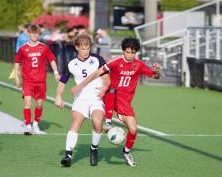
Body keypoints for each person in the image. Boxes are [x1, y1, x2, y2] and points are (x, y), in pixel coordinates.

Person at [71, 38, 161, 167]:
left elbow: (155, 76)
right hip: (109, 96)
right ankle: (107, 122)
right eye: (128, 52)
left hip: (124, 102)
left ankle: (126, 151)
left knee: (133, 129)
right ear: (123, 51)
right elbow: (97, 73)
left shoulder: (139, 64)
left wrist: (158, 70)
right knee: (112, 89)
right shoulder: (115, 62)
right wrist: (81, 85)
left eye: (133, 53)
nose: (130, 55)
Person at [55, 34, 110, 167]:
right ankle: (68, 155)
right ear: (77, 47)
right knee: (76, 122)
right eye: (83, 48)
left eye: (88, 48)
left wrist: (105, 88)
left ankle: (94, 148)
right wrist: (58, 96)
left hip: (96, 98)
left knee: (97, 123)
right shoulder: (72, 64)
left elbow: (107, 78)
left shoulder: (97, 59)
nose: (86, 51)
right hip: (80, 99)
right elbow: (63, 82)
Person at [14, 24, 60, 135]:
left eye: (36, 33)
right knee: (27, 102)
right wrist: (16, 76)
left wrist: (56, 72)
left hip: (40, 81)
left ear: (39, 34)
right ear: (28, 34)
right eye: (32, 33)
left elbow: (52, 60)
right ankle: (28, 126)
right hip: (28, 81)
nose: (34, 35)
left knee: (39, 104)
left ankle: (35, 123)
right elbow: (16, 62)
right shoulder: (23, 48)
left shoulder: (44, 47)